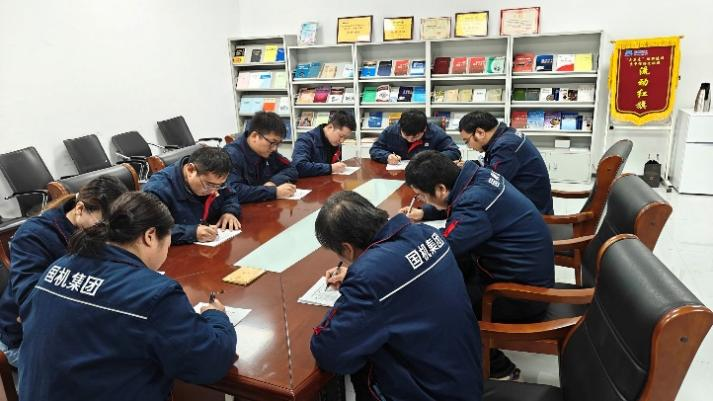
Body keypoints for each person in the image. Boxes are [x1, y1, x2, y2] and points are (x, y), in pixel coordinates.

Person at [19, 192, 237, 401]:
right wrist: (216, 316)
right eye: (168, 242)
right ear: (150, 236)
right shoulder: (154, 293)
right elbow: (209, 362)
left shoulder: (60, 266)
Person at [311, 191, 482, 401]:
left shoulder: (369, 278)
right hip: (465, 374)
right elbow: (398, 275)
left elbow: (330, 353)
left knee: (360, 360)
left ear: (346, 248)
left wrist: (359, 279)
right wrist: (361, 274)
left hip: (428, 391)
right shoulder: (426, 232)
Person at [402, 151, 554, 380]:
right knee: (443, 276)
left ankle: (501, 370)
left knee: (438, 305)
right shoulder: (476, 176)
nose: (422, 200)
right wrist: (425, 214)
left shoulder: (474, 201)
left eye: (422, 196)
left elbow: (445, 247)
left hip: (520, 294)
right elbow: (457, 214)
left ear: (441, 188)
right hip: (515, 269)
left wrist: (403, 244)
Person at [0, 176, 128, 367]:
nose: (108, 235)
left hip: (76, 324)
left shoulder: (91, 229)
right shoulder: (33, 235)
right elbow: (33, 304)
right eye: (104, 226)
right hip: (25, 341)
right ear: (80, 209)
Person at [458, 111, 554, 214]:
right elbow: (491, 168)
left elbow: (489, 184)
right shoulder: (507, 134)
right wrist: (468, 166)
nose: (469, 146)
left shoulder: (506, 146)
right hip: (527, 203)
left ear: (480, 132)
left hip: (531, 215)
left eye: (467, 141)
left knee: (466, 209)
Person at [143, 146, 241, 244]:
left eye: (220, 185)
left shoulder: (215, 180)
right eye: (208, 185)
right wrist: (192, 233)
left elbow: (230, 195)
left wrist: (229, 211)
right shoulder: (158, 189)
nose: (214, 192)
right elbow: (152, 230)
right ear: (190, 170)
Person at [224, 111, 298, 202]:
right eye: (272, 142)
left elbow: (291, 168)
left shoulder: (268, 152)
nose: (274, 148)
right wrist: (273, 192)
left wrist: (273, 182)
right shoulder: (231, 156)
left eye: (278, 144)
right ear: (254, 136)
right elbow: (233, 191)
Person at [369, 109, 461, 164]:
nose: (410, 139)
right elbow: (375, 149)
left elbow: (454, 152)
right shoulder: (390, 131)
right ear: (400, 127)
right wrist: (387, 156)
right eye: (406, 135)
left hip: (426, 175)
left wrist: (432, 158)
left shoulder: (436, 132)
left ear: (424, 129)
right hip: (397, 173)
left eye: (415, 136)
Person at [292, 111, 356, 177]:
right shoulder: (305, 140)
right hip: (307, 182)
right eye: (341, 136)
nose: (342, 141)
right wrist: (330, 168)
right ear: (330, 127)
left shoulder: (335, 142)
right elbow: (299, 166)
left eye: (345, 138)